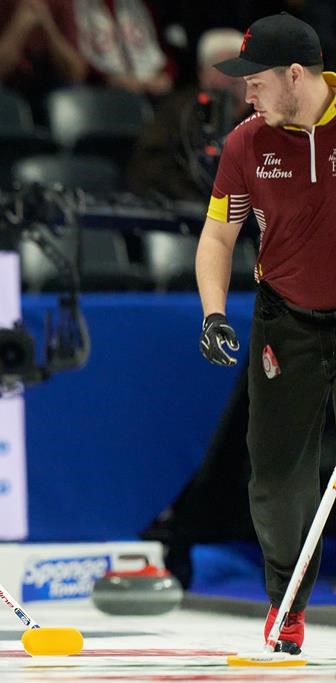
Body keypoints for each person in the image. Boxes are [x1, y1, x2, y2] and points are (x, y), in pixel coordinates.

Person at [195, 13, 336, 656]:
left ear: (296, 75)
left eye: (254, 82)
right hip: (287, 318)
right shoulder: (247, 145)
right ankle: (287, 606)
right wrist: (214, 313)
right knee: (277, 481)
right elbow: (220, 235)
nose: (245, 94)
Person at [128, 28, 251, 201]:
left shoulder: (268, 116)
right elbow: (149, 169)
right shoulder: (179, 112)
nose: (237, 78)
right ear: (203, 74)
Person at [0, 0, 87, 119]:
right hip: (2, 88)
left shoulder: (61, 3)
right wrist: (19, 26)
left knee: (73, 97)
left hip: (46, 87)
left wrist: (49, 28)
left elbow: (75, 74)